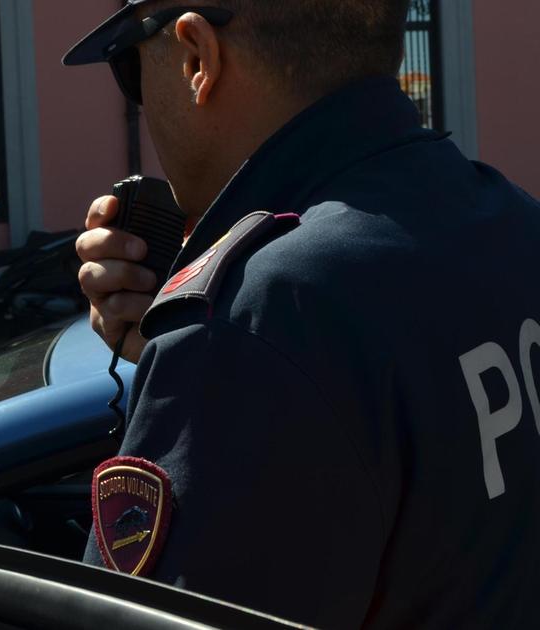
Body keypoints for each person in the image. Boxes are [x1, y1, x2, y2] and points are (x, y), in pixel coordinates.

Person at [66, 1, 539, 627]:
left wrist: (207, 355)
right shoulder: (516, 221)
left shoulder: (262, 320)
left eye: (129, 66)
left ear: (196, 57)